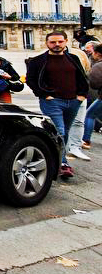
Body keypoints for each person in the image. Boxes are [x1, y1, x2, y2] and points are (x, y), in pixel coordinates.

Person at [26, 31, 89, 179]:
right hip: (52, 102)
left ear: (66, 42)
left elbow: (81, 76)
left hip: (73, 101)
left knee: (65, 131)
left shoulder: (73, 58)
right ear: (47, 43)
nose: (57, 45)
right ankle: (62, 164)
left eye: (60, 42)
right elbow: (31, 80)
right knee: (59, 131)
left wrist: (81, 96)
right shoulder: (38, 61)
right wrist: (44, 95)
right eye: (53, 42)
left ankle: (58, 159)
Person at [65, 45, 91, 161]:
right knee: (63, 124)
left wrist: (82, 95)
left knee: (79, 122)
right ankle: (66, 149)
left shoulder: (79, 56)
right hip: (63, 96)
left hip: (79, 95)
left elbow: (86, 75)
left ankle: (75, 147)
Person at [82, 43, 102, 150]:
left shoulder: (98, 66)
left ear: (97, 54)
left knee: (89, 115)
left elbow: (94, 84)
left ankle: (86, 140)